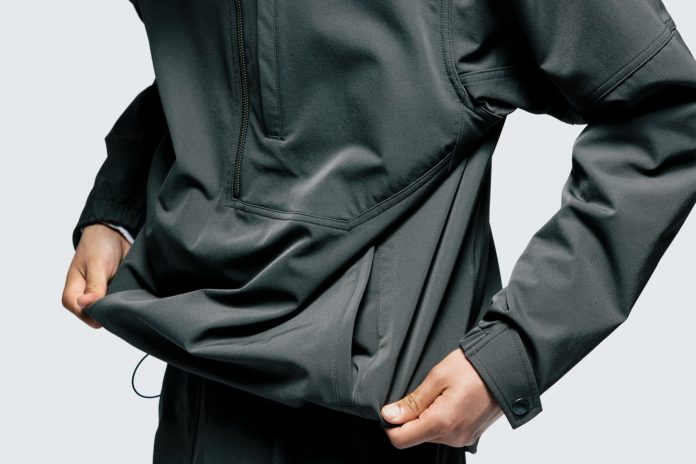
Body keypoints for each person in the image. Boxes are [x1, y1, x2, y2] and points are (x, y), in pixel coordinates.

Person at [62, 0, 696, 462]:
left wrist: (515, 351)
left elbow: (665, 111)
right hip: (191, 372)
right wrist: (118, 209)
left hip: (368, 419)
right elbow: (232, 60)